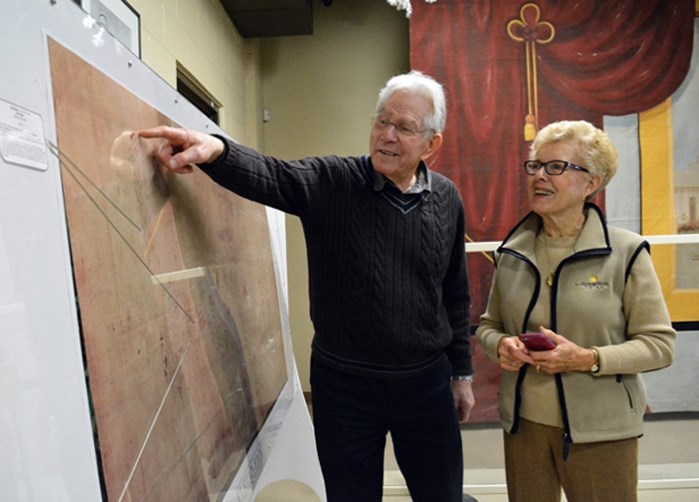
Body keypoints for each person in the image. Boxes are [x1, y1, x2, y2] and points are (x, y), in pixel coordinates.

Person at [139, 71, 477, 502]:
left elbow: (455, 290)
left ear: (431, 143)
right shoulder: (333, 181)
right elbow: (272, 175)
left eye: (404, 127)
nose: (387, 135)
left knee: (442, 494)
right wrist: (216, 151)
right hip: (345, 388)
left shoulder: (447, 198)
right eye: (381, 121)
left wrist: (462, 372)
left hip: (425, 383)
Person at [475, 120, 676, 502]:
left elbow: (659, 345)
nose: (540, 177)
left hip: (602, 430)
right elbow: (489, 326)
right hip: (524, 427)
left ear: (591, 183)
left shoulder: (626, 253)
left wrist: (586, 358)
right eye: (535, 166)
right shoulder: (511, 253)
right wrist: (500, 344)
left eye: (557, 167)